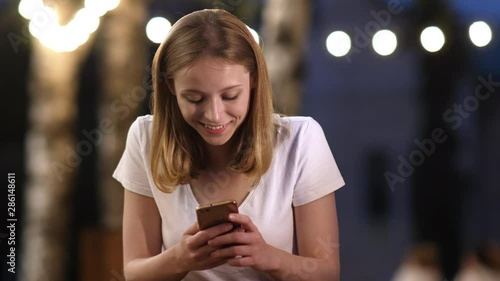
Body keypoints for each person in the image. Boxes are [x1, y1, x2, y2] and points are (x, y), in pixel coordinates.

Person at [113, 8, 344, 281]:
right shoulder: (146, 138)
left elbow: (327, 274)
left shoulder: (301, 140)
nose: (214, 115)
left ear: (254, 80)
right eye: (195, 98)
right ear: (170, 87)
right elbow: (134, 273)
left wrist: (268, 257)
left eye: (230, 96)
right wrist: (179, 259)